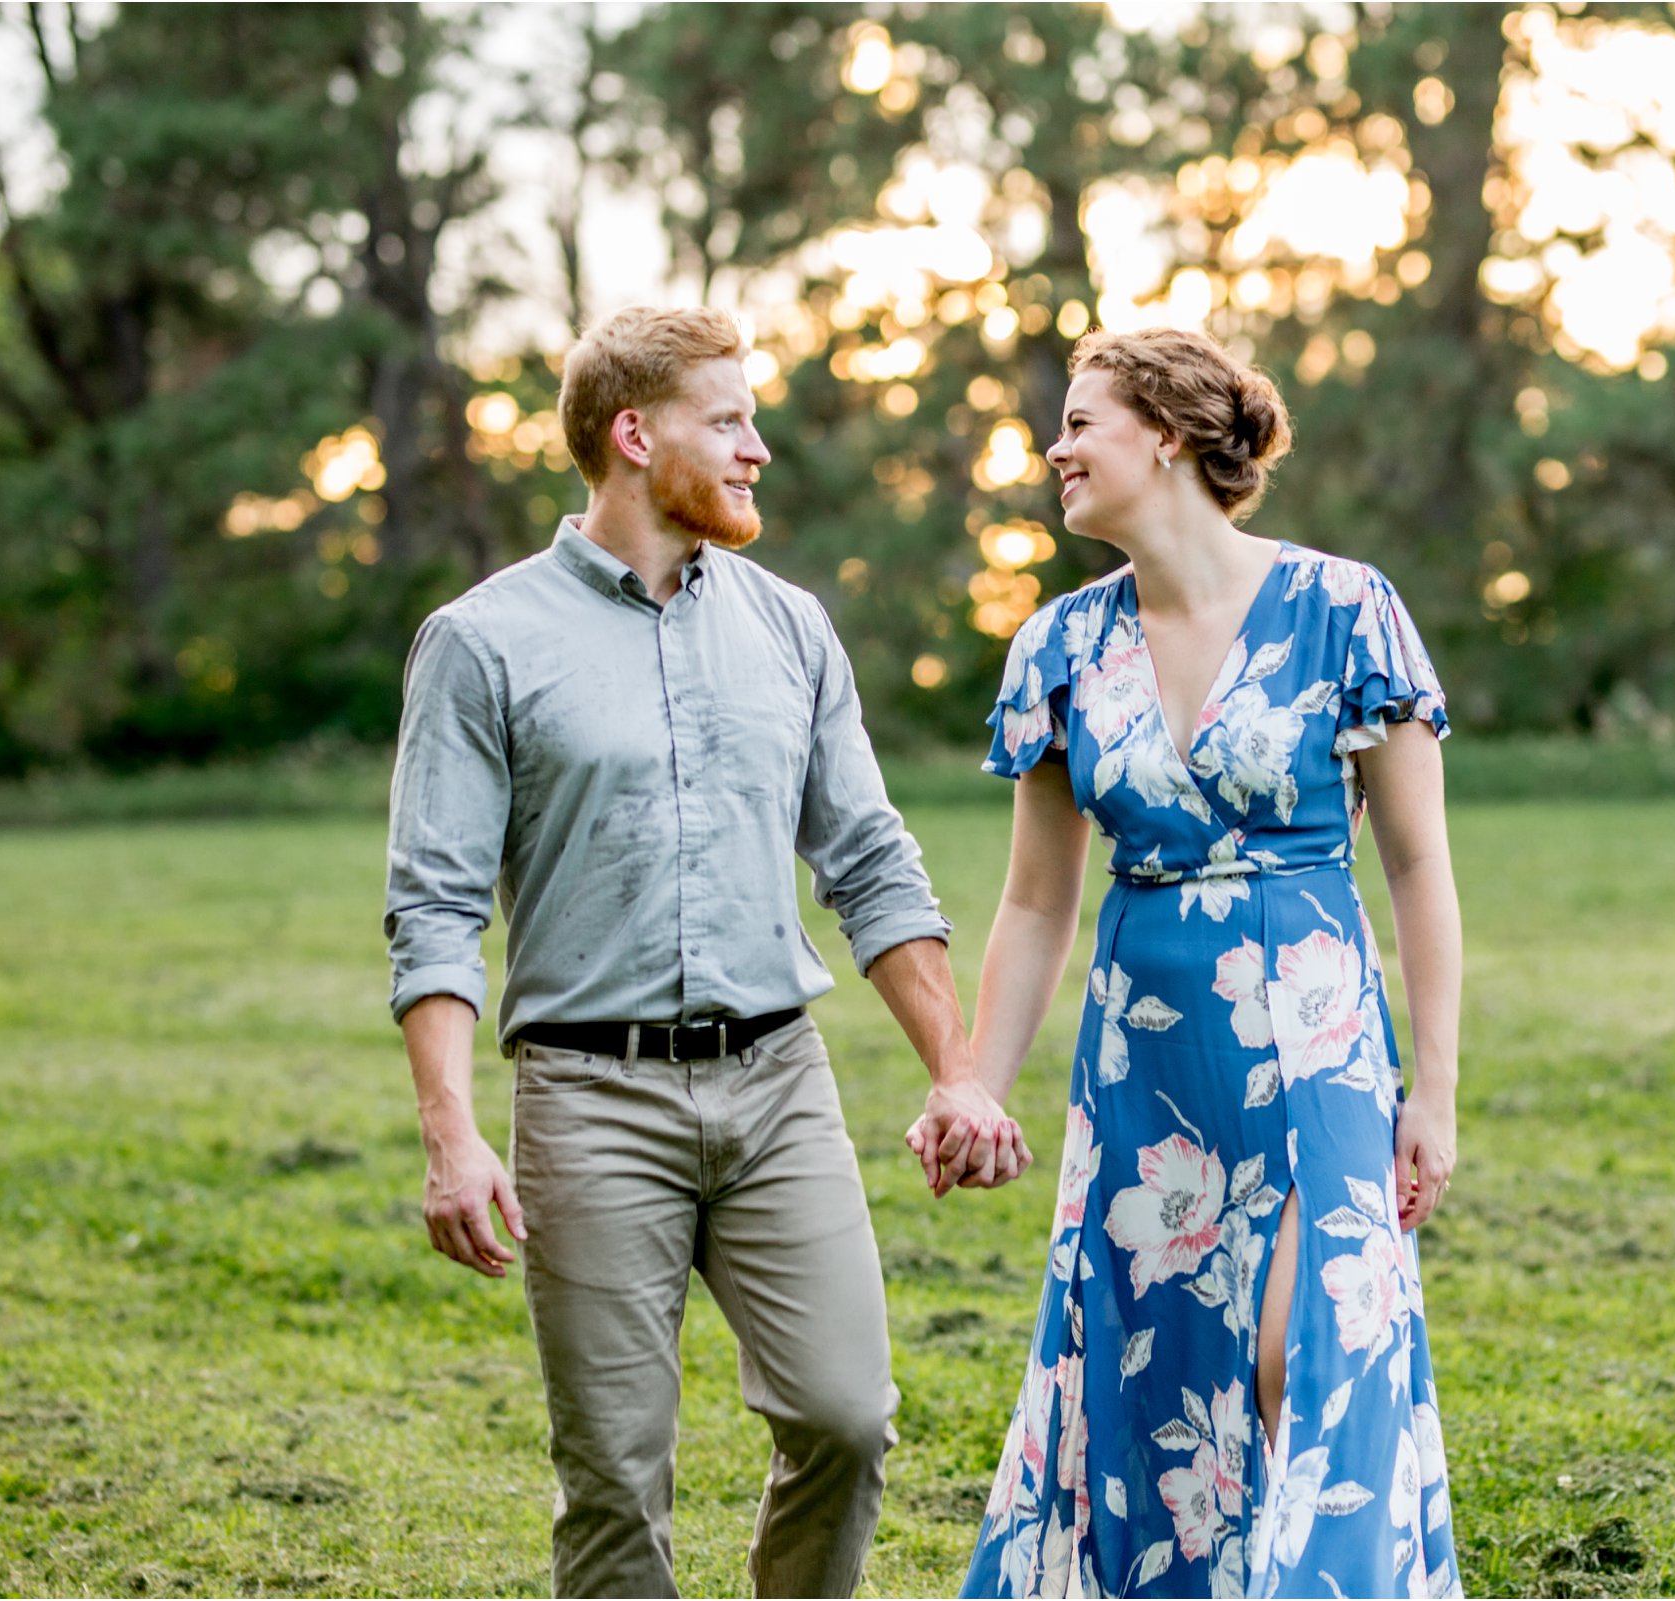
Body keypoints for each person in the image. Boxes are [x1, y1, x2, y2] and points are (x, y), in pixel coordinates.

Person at [384, 304, 1030, 1599]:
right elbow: (434, 906)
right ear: (633, 434)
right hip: (588, 1098)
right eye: (728, 420)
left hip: (777, 1086)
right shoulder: (482, 641)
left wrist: (956, 1071)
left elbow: (868, 862)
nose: (757, 451)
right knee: (617, 1476)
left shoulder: (789, 628)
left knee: (847, 1418)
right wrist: (451, 1133)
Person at [940, 327, 1464, 1598]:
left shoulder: (1346, 609)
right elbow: (1030, 904)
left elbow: (1415, 867)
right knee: (1155, 1387)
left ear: (1163, 434)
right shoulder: (1057, 648)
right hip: (1145, 1059)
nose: (1053, 449)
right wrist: (974, 1083)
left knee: (1314, 1358)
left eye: (1079, 423)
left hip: (1314, 1046)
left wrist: (1432, 1091)